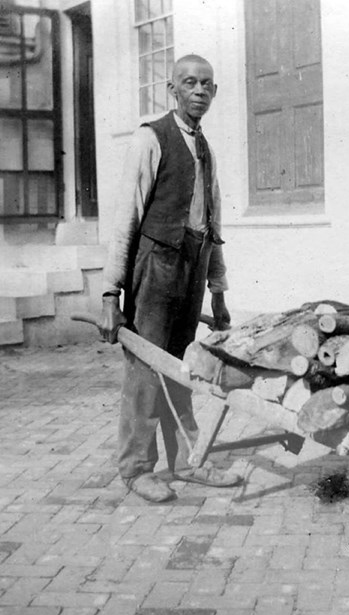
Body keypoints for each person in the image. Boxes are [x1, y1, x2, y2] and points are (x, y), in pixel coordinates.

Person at [99, 54, 241, 502]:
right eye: (189, 83)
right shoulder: (150, 139)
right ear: (172, 89)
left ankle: (185, 461)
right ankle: (137, 469)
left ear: (214, 94)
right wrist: (110, 294)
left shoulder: (206, 149)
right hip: (156, 268)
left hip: (192, 268)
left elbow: (212, 226)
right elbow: (126, 218)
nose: (199, 91)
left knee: (182, 369)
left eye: (207, 85)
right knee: (146, 370)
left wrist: (218, 293)